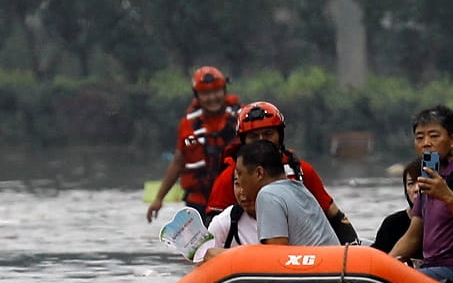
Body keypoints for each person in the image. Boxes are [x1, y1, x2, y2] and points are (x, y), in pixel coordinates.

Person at [204, 100, 360, 243]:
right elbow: (214, 226)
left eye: (268, 134)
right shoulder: (230, 177)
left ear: (280, 136)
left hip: (300, 250)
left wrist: (354, 249)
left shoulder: (301, 171)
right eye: (253, 136)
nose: (261, 141)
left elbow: (334, 215)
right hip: (250, 245)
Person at [386, 105, 453, 283]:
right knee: (388, 279)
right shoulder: (428, 179)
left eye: (434, 136)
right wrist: (383, 267)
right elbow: (413, 236)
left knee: (402, 281)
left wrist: (447, 196)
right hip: (432, 269)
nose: (426, 143)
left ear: (452, 141)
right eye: (419, 137)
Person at [146, 66, 243, 223]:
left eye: (216, 91)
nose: (212, 98)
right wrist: (159, 199)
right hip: (199, 203)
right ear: (197, 95)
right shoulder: (188, 126)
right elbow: (178, 163)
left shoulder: (241, 119)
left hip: (235, 199)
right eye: (205, 93)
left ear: (224, 90)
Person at [229, 139, 339, 247]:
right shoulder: (299, 188)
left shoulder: (267, 195)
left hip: (319, 263)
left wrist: (227, 255)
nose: (239, 182)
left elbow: (276, 257)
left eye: (240, 174)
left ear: (259, 173)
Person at [372, 159, 422, 254]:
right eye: (411, 184)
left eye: (421, 182)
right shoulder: (392, 224)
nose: (416, 189)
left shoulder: (444, 223)